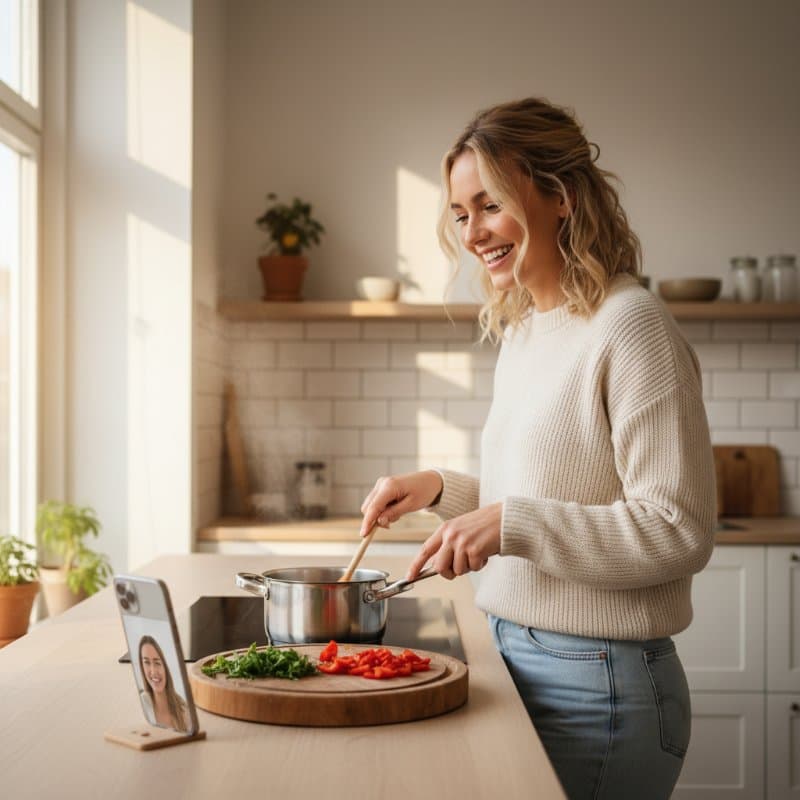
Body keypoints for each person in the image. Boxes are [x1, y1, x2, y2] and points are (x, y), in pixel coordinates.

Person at [359, 97, 715, 800]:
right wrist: (438, 489)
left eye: (488, 204)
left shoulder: (631, 325)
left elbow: (679, 531)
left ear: (560, 195)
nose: (473, 232)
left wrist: (510, 523)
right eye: (461, 214)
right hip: (513, 655)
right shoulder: (525, 330)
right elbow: (549, 493)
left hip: (600, 686)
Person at [138, 635, 190, 732]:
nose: (153, 671)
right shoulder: (142, 703)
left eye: (157, 663)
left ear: (166, 667)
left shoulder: (184, 709)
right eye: (147, 662)